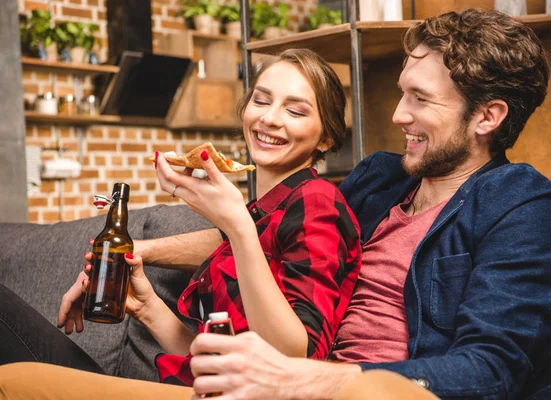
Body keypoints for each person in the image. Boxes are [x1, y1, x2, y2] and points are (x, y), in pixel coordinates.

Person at [0, 8, 551, 400]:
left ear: (488, 116)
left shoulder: (523, 207)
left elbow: (491, 370)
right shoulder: (382, 179)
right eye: (402, 93)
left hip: (347, 392)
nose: (398, 115)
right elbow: (276, 228)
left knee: (20, 383)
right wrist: (139, 251)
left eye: (420, 100)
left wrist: (302, 379)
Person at [0, 49, 362, 387]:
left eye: (295, 111)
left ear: (326, 139)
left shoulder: (318, 202)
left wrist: (237, 227)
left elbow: (295, 359)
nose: (269, 118)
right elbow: (208, 363)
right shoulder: (263, 213)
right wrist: (148, 308)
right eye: (261, 100)